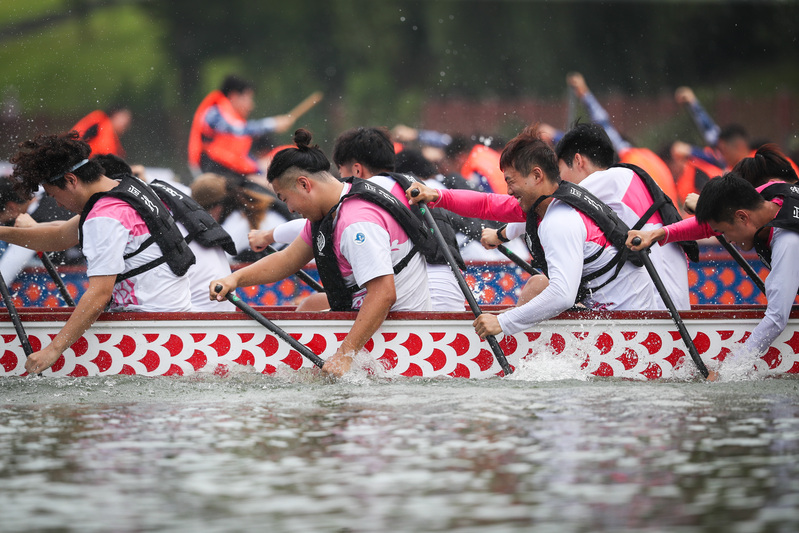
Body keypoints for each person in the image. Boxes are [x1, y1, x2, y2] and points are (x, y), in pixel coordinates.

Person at [211, 129, 431, 376]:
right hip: (373, 319)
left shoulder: (355, 223)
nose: (290, 209)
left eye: (285, 199)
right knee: (309, 305)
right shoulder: (334, 205)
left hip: (401, 335)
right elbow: (287, 260)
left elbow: (383, 295)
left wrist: (344, 355)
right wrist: (235, 279)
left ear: (304, 184)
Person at [407, 124, 657, 340]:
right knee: (538, 283)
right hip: (616, 316)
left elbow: (562, 296)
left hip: (629, 330)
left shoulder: (560, 220)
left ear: (537, 175)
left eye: (511, 181)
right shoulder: (551, 203)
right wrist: (437, 195)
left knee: (541, 289)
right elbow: (486, 204)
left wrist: (502, 323)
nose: (508, 191)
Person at [2, 132, 194, 374]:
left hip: (148, 333)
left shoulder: (104, 216)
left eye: (54, 195)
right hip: (174, 323)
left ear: (71, 180)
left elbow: (99, 295)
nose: (58, 204)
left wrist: (52, 350)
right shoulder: (128, 188)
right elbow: (59, 236)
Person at [629, 173, 799, 362]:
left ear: (742, 217)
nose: (727, 240)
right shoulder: (769, 194)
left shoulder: (788, 242)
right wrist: (657, 234)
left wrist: (729, 371)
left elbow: (776, 320)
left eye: (725, 232)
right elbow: (713, 224)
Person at [554, 122, 696, 310]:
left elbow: (547, 206)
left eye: (560, 172)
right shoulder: (634, 178)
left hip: (655, 317)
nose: (560, 182)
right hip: (673, 312)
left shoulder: (609, 180)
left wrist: (503, 233)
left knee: (541, 286)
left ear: (578, 161)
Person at [92, 154, 237, 312]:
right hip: (220, 313)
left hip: (199, 319)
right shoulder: (168, 195)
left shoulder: (120, 209)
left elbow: (100, 295)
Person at [566, 73, 680, 208]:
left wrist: (585, 94)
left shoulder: (630, 162)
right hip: (671, 222)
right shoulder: (648, 156)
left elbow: (604, 124)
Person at [188, 75, 296, 179]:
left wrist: (258, 168)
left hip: (225, 171)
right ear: (234, 96)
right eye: (248, 98)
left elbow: (240, 155)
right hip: (210, 172)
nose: (251, 105)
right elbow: (238, 129)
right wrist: (272, 124)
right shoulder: (213, 112)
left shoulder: (231, 118)